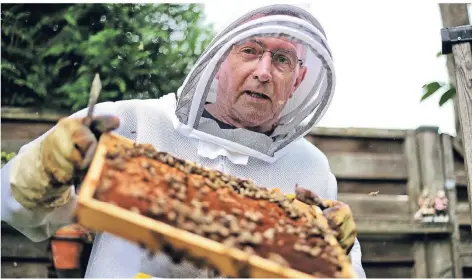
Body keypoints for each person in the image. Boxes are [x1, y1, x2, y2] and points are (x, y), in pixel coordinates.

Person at [1, 4, 366, 278]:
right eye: (250, 51)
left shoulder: (310, 169)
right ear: (220, 62)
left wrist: (336, 253)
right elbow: (13, 206)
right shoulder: (130, 122)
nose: (263, 72)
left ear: (298, 80)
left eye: (282, 59)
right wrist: (46, 166)